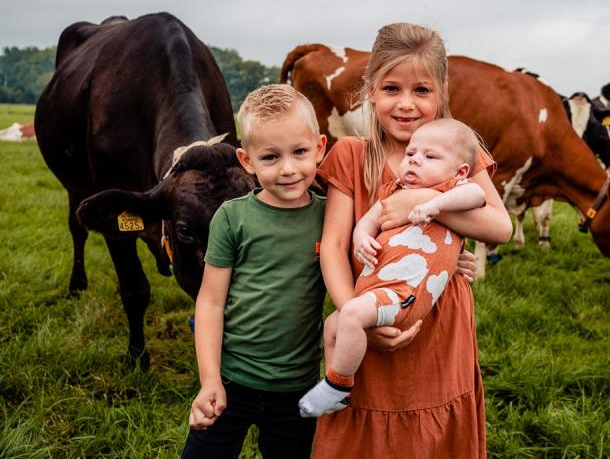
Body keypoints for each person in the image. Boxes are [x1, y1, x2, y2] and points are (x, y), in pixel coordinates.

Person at [312, 23, 512, 458]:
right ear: (370, 90)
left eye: (422, 90)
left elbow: (501, 227)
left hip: (439, 323)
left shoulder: (459, 152)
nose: (406, 104)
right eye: (391, 89)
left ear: (441, 92)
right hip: (369, 313)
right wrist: (354, 315)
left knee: (431, 429)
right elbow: (332, 245)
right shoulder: (351, 154)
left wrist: (419, 202)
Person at [298, 118, 486, 417]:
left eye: (429, 157)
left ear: (460, 170)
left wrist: (433, 204)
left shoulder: (455, 189)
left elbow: (477, 197)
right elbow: (369, 221)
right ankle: (338, 386)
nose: (414, 161)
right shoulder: (393, 189)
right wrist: (361, 238)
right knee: (333, 325)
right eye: (411, 154)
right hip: (377, 286)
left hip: (406, 293)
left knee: (351, 315)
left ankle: (336, 386)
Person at [181, 84, 328, 459]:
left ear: (320, 148)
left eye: (300, 152)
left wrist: (454, 258)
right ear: (247, 161)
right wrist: (210, 379)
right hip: (233, 380)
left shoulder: (331, 216)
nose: (288, 169)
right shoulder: (232, 218)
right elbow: (211, 302)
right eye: (270, 157)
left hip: (298, 388)